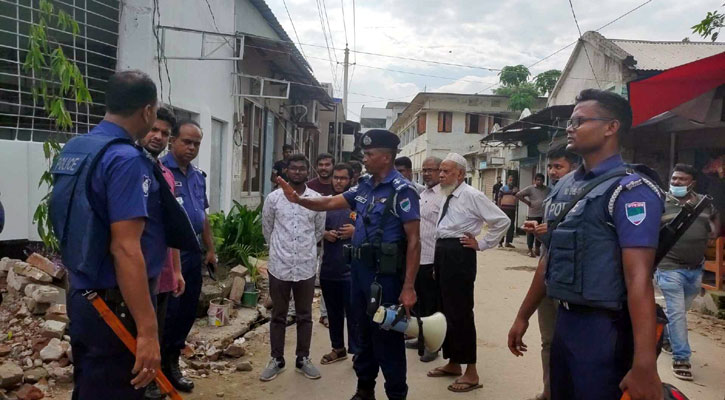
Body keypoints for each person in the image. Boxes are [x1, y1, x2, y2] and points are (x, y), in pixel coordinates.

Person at [507, 89, 665, 400]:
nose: (570, 127)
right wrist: (523, 314)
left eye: (580, 121)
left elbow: (639, 278)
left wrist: (645, 363)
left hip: (604, 330)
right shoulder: (564, 185)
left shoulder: (631, 190)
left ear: (611, 127)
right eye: (570, 121)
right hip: (565, 322)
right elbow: (549, 258)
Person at [276, 129, 421, 400]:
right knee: (362, 334)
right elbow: (330, 201)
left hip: (385, 278)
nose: (364, 159)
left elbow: (414, 241)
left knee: (387, 338)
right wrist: (299, 200)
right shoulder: (364, 186)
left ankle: (396, 394)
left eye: (369, 154)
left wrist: (409, 287)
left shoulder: (402, 191)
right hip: (359, 273)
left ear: (386, 157)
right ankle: (364, 389)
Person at [49, 70, 164, 398]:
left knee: (89, 387)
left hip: (83, 297)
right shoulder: (126, 159)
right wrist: (147, 330)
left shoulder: (77, 147)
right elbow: (126, 248)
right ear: (146, 111)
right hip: (115, 308)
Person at [426, 153, 510, 393]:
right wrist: (435, 263)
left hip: (459, 253)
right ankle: (453, 363)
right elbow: (442, 230)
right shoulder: (447, 194)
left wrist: (482, 244)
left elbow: (501, 221)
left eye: (446, 171)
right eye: (440, 171)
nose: (440, 175)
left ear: (460, 174)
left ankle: (471, 371)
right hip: (443, 252)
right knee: (446, 310)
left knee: (461, 311)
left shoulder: (472, 195)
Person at [160, 120, 217, 392]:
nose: (192, 147)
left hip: (192, 251)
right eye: (187, 141)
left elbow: (202, 215)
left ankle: (173, 364)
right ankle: (156, 371)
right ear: (173, 141)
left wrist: (210, 249)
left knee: (187, 311)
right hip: (169, 252)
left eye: (197, 143)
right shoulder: (160, 171)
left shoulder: (196, 176)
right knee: (167, 312)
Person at [260, 153, 326, 382]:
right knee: (278, 314)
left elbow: (318, 231)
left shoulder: (317, 199)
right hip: (280, 265)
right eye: (293, 168)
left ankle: (303, 359)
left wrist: (303, 251)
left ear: (308, 172)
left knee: (305, 315)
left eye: (302, 168)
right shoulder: (274, 199)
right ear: (286, 171)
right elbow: (267, 229)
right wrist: (281, 249)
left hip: (306, 266)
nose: (297, 172)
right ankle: (276, 359)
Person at [521, 145, 578, 400]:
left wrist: (550, 233)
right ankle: (549, 391)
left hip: (573, 284)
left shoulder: (586, 196)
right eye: (551, 167)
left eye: (559, 167)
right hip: (548, 275)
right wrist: (542, 230)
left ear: (574, 168)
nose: (553, 172)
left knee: (573, 346)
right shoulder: (554, 196)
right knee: (548, 341)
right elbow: (551, 240)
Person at [138, 106, 186, 400]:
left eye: (164, 133)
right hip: (137, 273)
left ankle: (153, 382)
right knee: (137, 333)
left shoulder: (165, 174)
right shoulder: (130, 166)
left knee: (158, 330)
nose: (158, 136)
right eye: (154, 130)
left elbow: (173, 227)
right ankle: (141, 386)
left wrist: (177, 270)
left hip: (164, 271)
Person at [657, 163, 719, 381]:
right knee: (676, 311)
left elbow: (714, 223)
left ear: (692, 183)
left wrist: (712, 231)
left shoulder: (703, 204)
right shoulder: (660, 202)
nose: (676, 183)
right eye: (674, 179)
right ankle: (681, 357)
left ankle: (664, 337)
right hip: (668, 267)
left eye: (681, 180)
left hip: (695, 268)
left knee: (679, 312)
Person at [319, 163, 359, 365]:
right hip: (329, 268)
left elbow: (373, 227)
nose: (338, 181)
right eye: (336, 177)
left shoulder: (358, 202)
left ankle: (357, 351)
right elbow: (313, 228)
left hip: (352, 271)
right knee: (334, 314)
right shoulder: (325, 203)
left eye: (343, 178)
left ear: (351, 179)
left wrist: (355, 231)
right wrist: (324, 233)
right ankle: (338, 348)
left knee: (354, 314)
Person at [405, 156, 443, 362]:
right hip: (417, 258)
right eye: (425, 170)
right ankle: (419, 337)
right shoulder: (422, 194)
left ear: (441, 171)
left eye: (432, 170)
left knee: (431, 304)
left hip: (432, 259)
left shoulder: (444, 196)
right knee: (418, 303)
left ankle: (433, 344)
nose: (427, 173)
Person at [306, 152, 335, 327]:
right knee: (304, 278)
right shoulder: (309, 188)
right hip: (310, 241)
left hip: (333, 241)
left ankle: (326, 314)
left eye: (327, 164)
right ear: (316, 167)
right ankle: (298, 312)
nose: (324, 168)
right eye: (321, 165)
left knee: (326, 278)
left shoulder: (339, 186)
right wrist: (322, 232)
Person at [517, 173, 550, 258]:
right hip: (533, 214)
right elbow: (518, 195)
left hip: (543, 214)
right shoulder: (530, 189)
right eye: (537, 180)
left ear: (543, 180)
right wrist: (528, 203)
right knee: (531, 231)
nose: (539, 181)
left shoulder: (547, 189)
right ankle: (530, 249)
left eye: (541, 180)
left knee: (539, 231)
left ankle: (537, 248)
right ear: (534, 181)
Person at [497, 175, 518, 248]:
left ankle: (508, 242)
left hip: (512, 209)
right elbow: (499, 198)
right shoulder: (503, 188)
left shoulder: (515, 189)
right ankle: (500, 242)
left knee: (511, 226)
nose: (511, 181)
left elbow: (517, 198)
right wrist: (499, 207)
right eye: (510, 180)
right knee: (503, 225)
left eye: (512, 180)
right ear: (507, 180)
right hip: (504, 209)